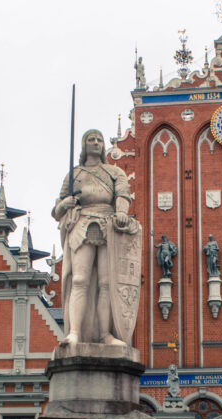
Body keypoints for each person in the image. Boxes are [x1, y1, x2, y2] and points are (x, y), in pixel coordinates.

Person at [53, 128, 141, 347]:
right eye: (90, 139)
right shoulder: (74, 174)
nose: (96, 143)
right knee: (80, 280)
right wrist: (65, 204)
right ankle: (74, 333)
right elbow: (57, 209)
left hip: (108, 225)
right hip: (82, 224)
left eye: (99, 139)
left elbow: (123, 194)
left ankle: (105, 335)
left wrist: (121, 211)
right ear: (84, 145)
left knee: (106, 283)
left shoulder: (114, 172)